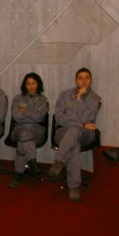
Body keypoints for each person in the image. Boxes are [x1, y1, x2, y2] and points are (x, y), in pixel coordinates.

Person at [46, 68, 101, 202]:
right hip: (64, 132)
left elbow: (87, 118)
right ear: (75, 80)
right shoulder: (64, 95)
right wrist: (80, 124)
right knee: (74, 145)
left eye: (87, 77)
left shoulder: (95, 99)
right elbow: (59, 118)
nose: (83, 81)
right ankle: (74, 187)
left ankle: (58, 163)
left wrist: (79, 99)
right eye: (80, 78)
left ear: (91, 80)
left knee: (74, 131)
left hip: (86, 134)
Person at [9, 73, 49, 188]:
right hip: (19, 129)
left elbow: (41, 117)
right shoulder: (17, 99)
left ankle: (18, 174)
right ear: (24, 85)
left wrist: (25, 111)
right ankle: (32, 162)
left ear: (38, 84)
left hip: (37, 131)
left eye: (33, 83)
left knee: (23, 141)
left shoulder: (43, 100)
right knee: (24, 134)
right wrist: (33, 115)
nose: (31, 86)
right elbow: (16, 117)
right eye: (28, 84)